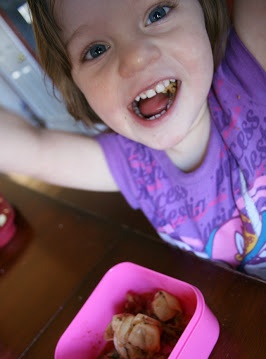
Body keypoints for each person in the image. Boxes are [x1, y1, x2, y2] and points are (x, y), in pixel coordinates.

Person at [0, 0, 265, 279]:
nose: (135, 57)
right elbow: (32, 152)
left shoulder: (252, 72)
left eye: (157, 14)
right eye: (96, 50)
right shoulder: (136, 164)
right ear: (77, 86)